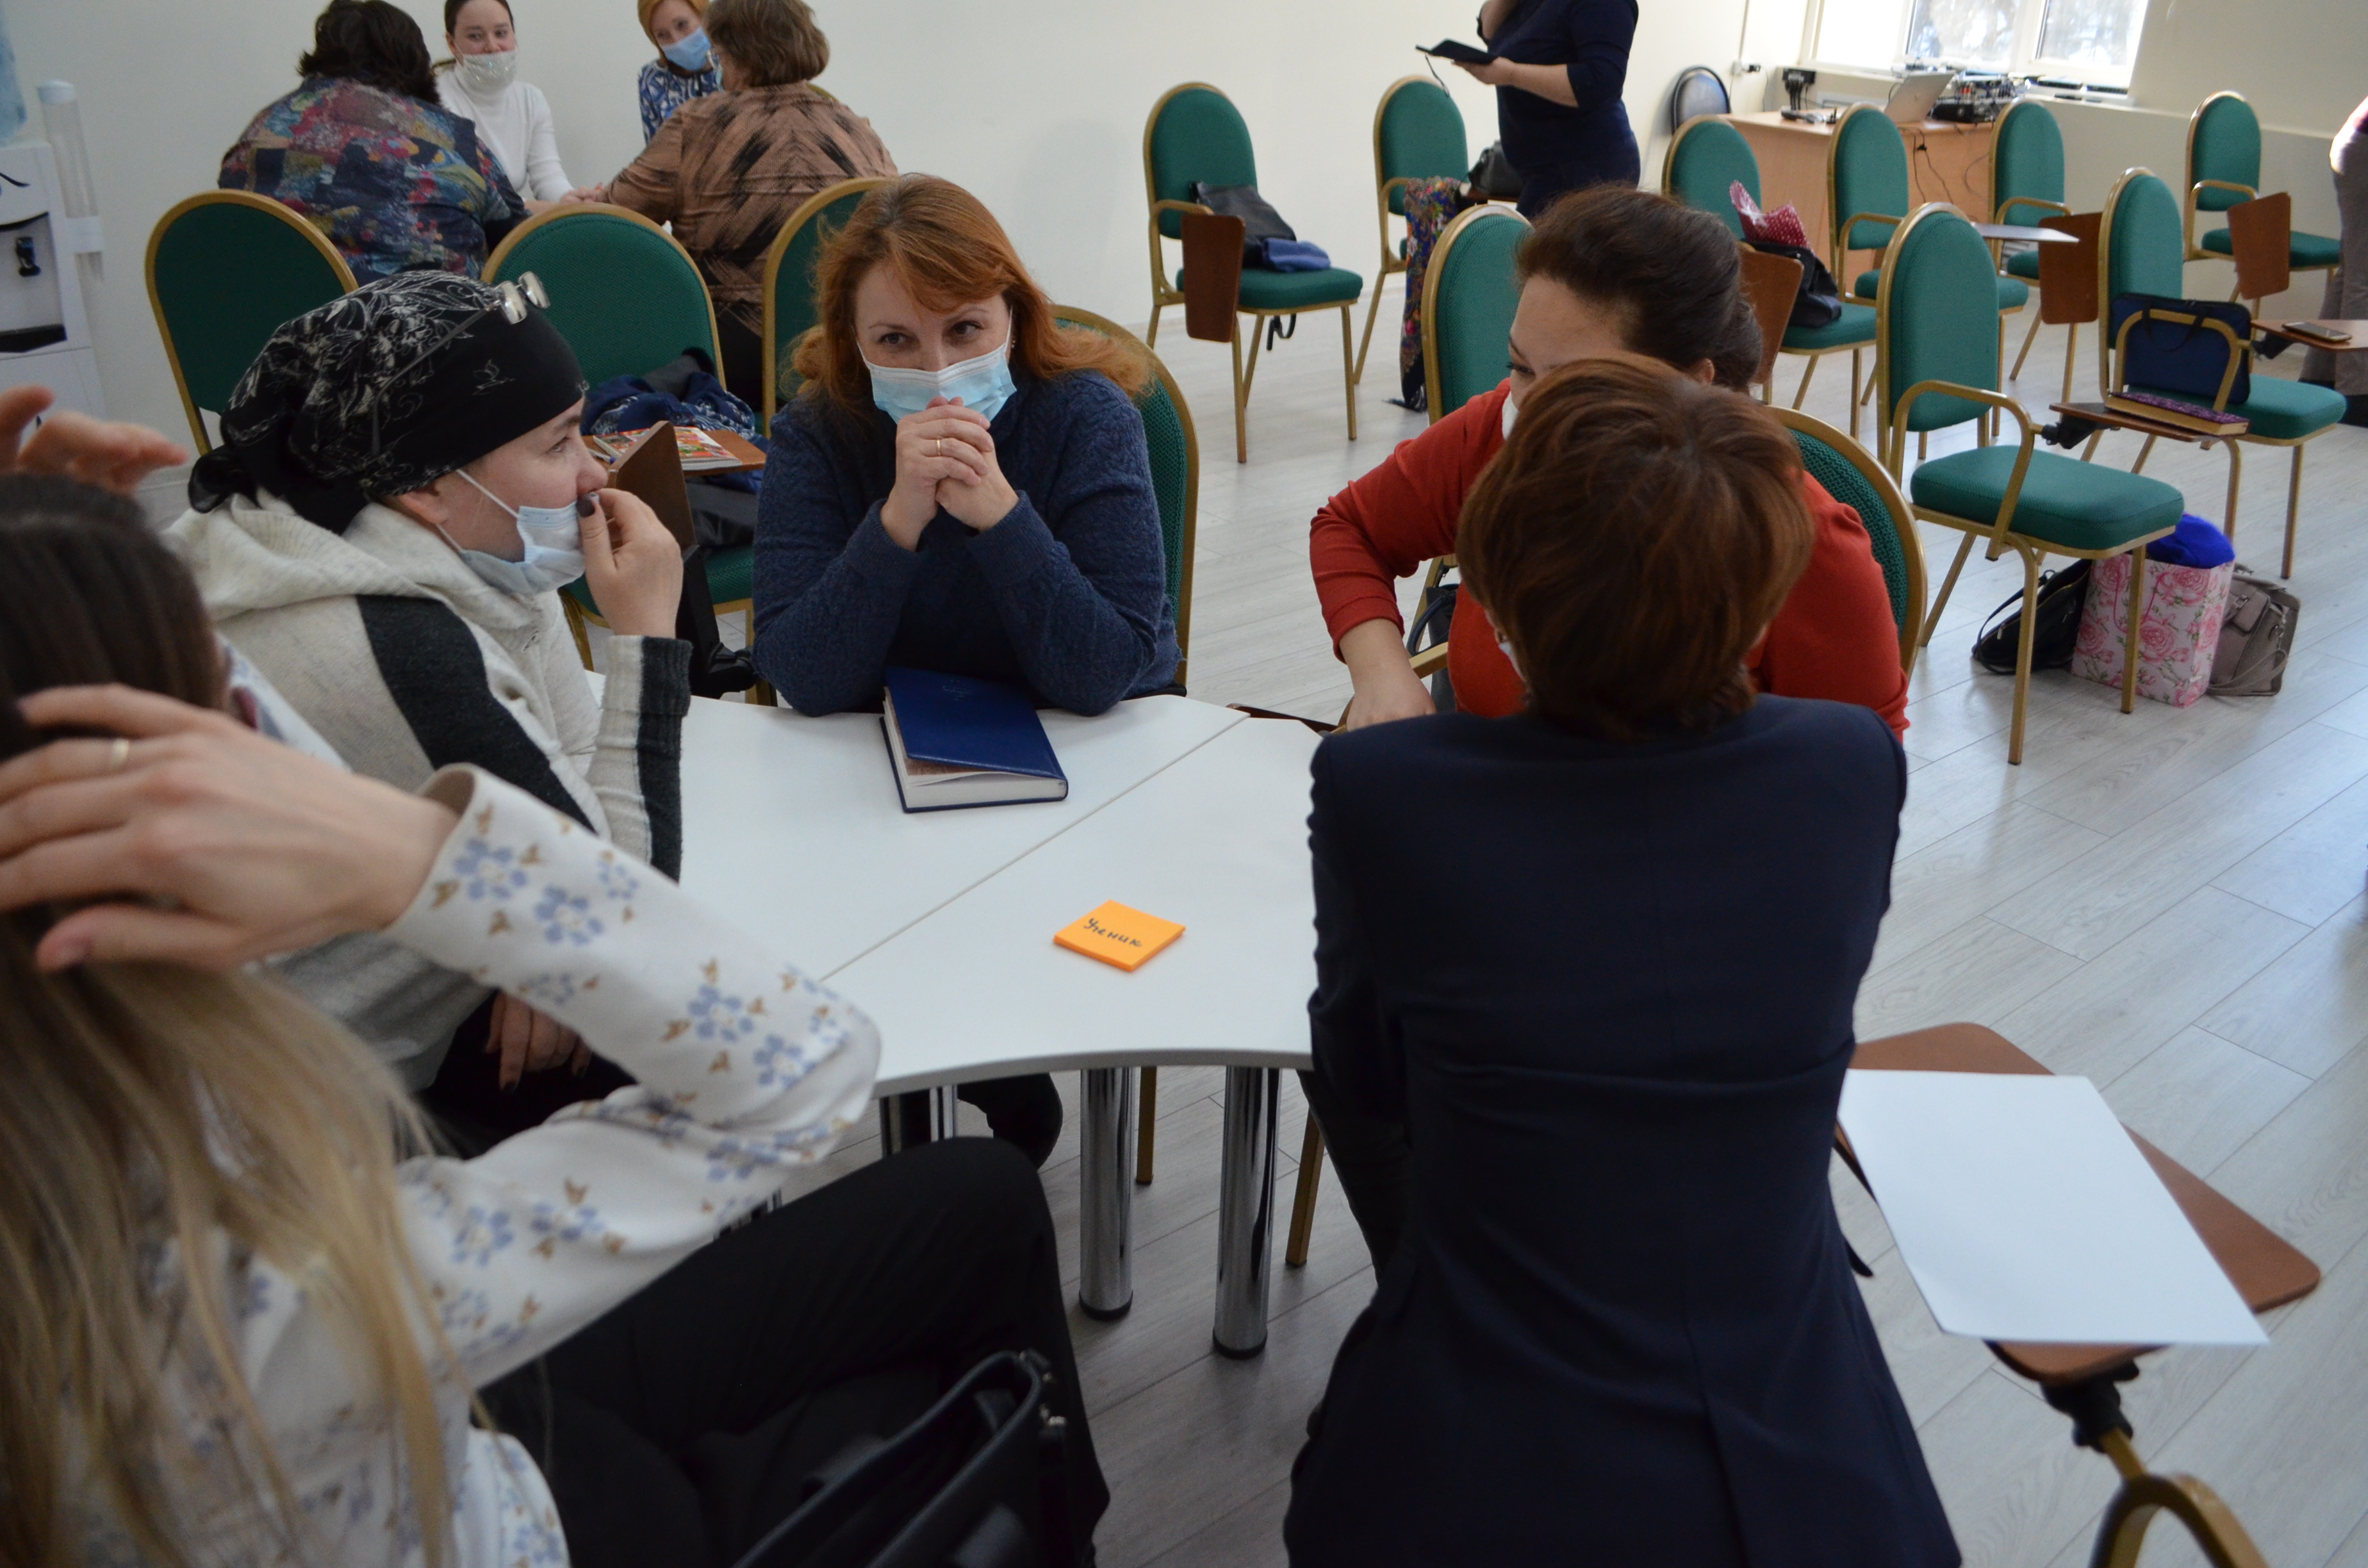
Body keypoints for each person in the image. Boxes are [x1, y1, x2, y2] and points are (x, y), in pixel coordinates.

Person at [0, 498, 1108, 1566]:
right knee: (964, 1366)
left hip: (438, 1413)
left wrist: (46, 577)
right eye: (232, 738)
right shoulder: (241, 1326)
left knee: (982, 1200)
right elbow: (806, 1059)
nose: (263, 738)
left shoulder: (79, 1068)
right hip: (528, 1495)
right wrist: (422, 849)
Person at [1282, 357, 1955, 1567]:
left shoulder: (1388, 795)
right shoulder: (1852, 769)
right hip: (1810, 1450)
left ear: (1497, 599)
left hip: (1477, 1441)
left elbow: (1364, 1081)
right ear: (1759, 613)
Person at [165, 270, 691, 1147]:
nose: (594, 475)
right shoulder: (396, 644)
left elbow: (575, 783)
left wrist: (548, 935)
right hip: (323, 1122)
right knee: (681, 1022)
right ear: (427, 487)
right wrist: (645, 636)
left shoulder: (426, 536)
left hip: (403, 1009)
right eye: (558, 444)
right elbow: (628, 913)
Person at [755, 174, 1179, 1167]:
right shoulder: (818, 433)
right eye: (897, 341)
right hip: (900, 771)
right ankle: (977, 1088)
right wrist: (899, 515)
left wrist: (998, 513)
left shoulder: (1084, 415)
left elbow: (1104, 668)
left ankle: (1015, 1072)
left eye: (965, 330)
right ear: (854, 342)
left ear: (1013, 315)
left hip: (1083, 762)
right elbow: (804, 673)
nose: (938, 370)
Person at [1313, 185, 1906, 740]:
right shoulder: (1498, 432)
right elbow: (1351, 527)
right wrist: (1385, 675)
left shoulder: (1806, 546)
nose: (1529, 408)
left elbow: (1855, 771)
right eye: (1520, 366)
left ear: (1693, 386)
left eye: (1576, 384)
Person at [572, 0, 896, 405]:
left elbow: (609, 221)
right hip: (844, 359)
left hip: (735, 368)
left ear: (735, 54)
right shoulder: (858, 131)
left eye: (720, 56)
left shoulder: (696, 125)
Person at [221, 0, 527, 281]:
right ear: (415, 61)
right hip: (432, 321)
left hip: (275, 320)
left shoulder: (259, 133)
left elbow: (225, 232)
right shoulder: (451, 138)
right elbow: (518, 242)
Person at [1454, 0, 1640, 216]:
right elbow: (1489, 30)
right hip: (1542, 169)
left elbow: (1598, 82)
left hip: (1587, 167)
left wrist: (1512, 74)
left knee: (1526, 239)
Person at [436, 0, 573, 207]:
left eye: (501, 33)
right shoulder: (435, 101)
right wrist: (548, 209)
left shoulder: (531, 99)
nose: (492, 47)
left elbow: (548, 177)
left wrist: (571, 200)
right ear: (452, 43)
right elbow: (470, 193)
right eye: (476, 36)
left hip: (516, 219)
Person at [2303, 90, 2368, 426]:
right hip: (2362, 154)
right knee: (2363, 276)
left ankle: (2320, 376)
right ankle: (2356, 393)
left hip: (2354, 149)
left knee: (2352, 272)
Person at [636, 0, 722, 142]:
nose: (677, 41)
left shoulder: (738, 63)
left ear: (704, 15)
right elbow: (656, 148)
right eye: (662, 35)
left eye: (682, 24)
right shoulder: (653, 79)